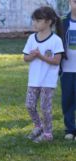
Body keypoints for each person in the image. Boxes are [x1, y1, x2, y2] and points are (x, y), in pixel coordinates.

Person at [23, 6, 64, 143]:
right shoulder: (31, 38)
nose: (34, 23)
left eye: (38, 20)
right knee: (29, 105)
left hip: (48, 81)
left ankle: (47, 134)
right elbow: (25, 58)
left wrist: (40, 56)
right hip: (33, 80)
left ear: (48, 22)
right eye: (33, 20)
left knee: (45, 108)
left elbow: (56, 61)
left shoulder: (56, 40)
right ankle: (38, 126)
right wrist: (32, 56)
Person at [60, 0, 76, 140]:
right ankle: (70, 129)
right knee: (67, 100)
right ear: (70, 2)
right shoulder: (63, 22)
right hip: (67, 69)